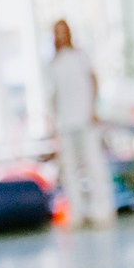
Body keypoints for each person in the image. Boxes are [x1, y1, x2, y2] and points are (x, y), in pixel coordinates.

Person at [49, 19, 115, 225]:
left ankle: (102, 211)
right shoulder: (53, 63)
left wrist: (92, 109)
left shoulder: (80, 56)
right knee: (69, 170)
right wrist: (52, 123)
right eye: (56, 32)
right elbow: (53, 96)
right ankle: (77, 213)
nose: (60, 35)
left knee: (94, 165)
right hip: (66, 124)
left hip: (86, 120)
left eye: (63, 31)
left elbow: (93, 80)